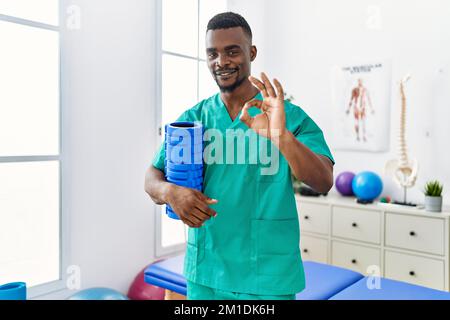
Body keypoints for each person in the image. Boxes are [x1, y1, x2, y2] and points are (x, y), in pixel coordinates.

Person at [144, 12, 334, 300]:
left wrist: (281, 136)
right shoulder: (194, 118)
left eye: (232, 51)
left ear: (252, 52)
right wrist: (170, 191)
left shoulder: (288, 117)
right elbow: (152, 176)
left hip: (268, 277)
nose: (222, 61)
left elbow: (323, 181)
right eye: (213, 54)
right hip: (207, 271)